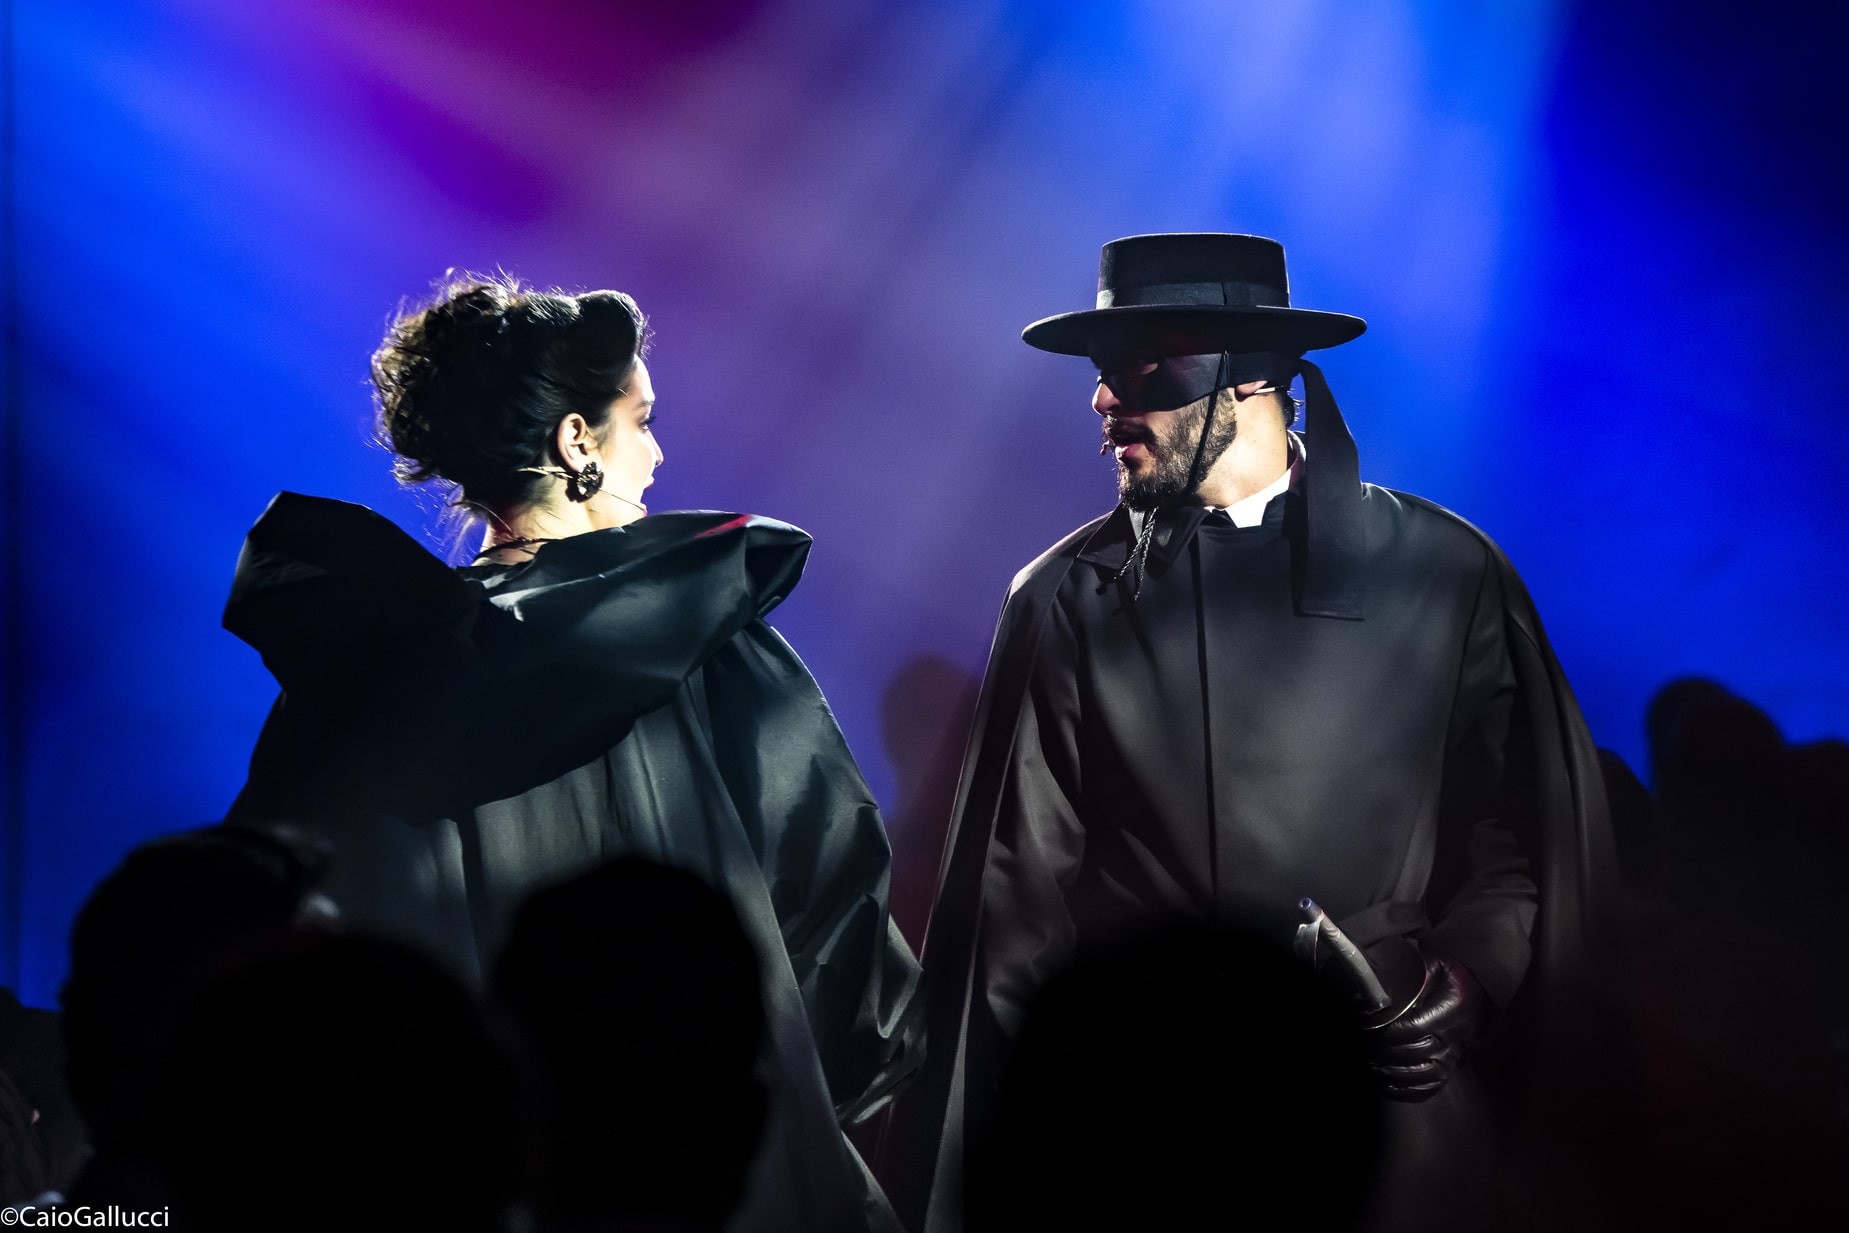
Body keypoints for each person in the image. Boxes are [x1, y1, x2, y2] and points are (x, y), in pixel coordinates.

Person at [885, 234, 1628, 1233]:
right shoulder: (1065, 598)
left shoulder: (1443, 572)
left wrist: (1468, 973)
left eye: (1140, 367)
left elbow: (1523, 833)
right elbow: (1009, 912)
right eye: (1102, 371)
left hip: (1385, 1103)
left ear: (1247, 378)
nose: (1102, 400)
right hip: (1142, 1128)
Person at [223, 275, 922, 1233]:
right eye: (642, 420)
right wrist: (792, 1108)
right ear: (577, 442)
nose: (657, 451)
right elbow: (834, 907)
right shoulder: (707, 644)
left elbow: (278, 958)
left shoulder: (355, 677)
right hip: (717, 1171)